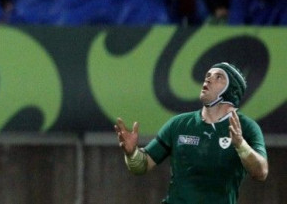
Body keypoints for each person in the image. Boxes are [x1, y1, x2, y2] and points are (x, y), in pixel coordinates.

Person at [115, 62, 268, 203]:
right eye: (208, 75)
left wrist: (241, 145)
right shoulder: (179, 124)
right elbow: (142, 166)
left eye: (218, 77)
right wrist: (131, 153)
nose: (208, 79)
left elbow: (261, 172)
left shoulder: (247, 127)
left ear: (231, 90)